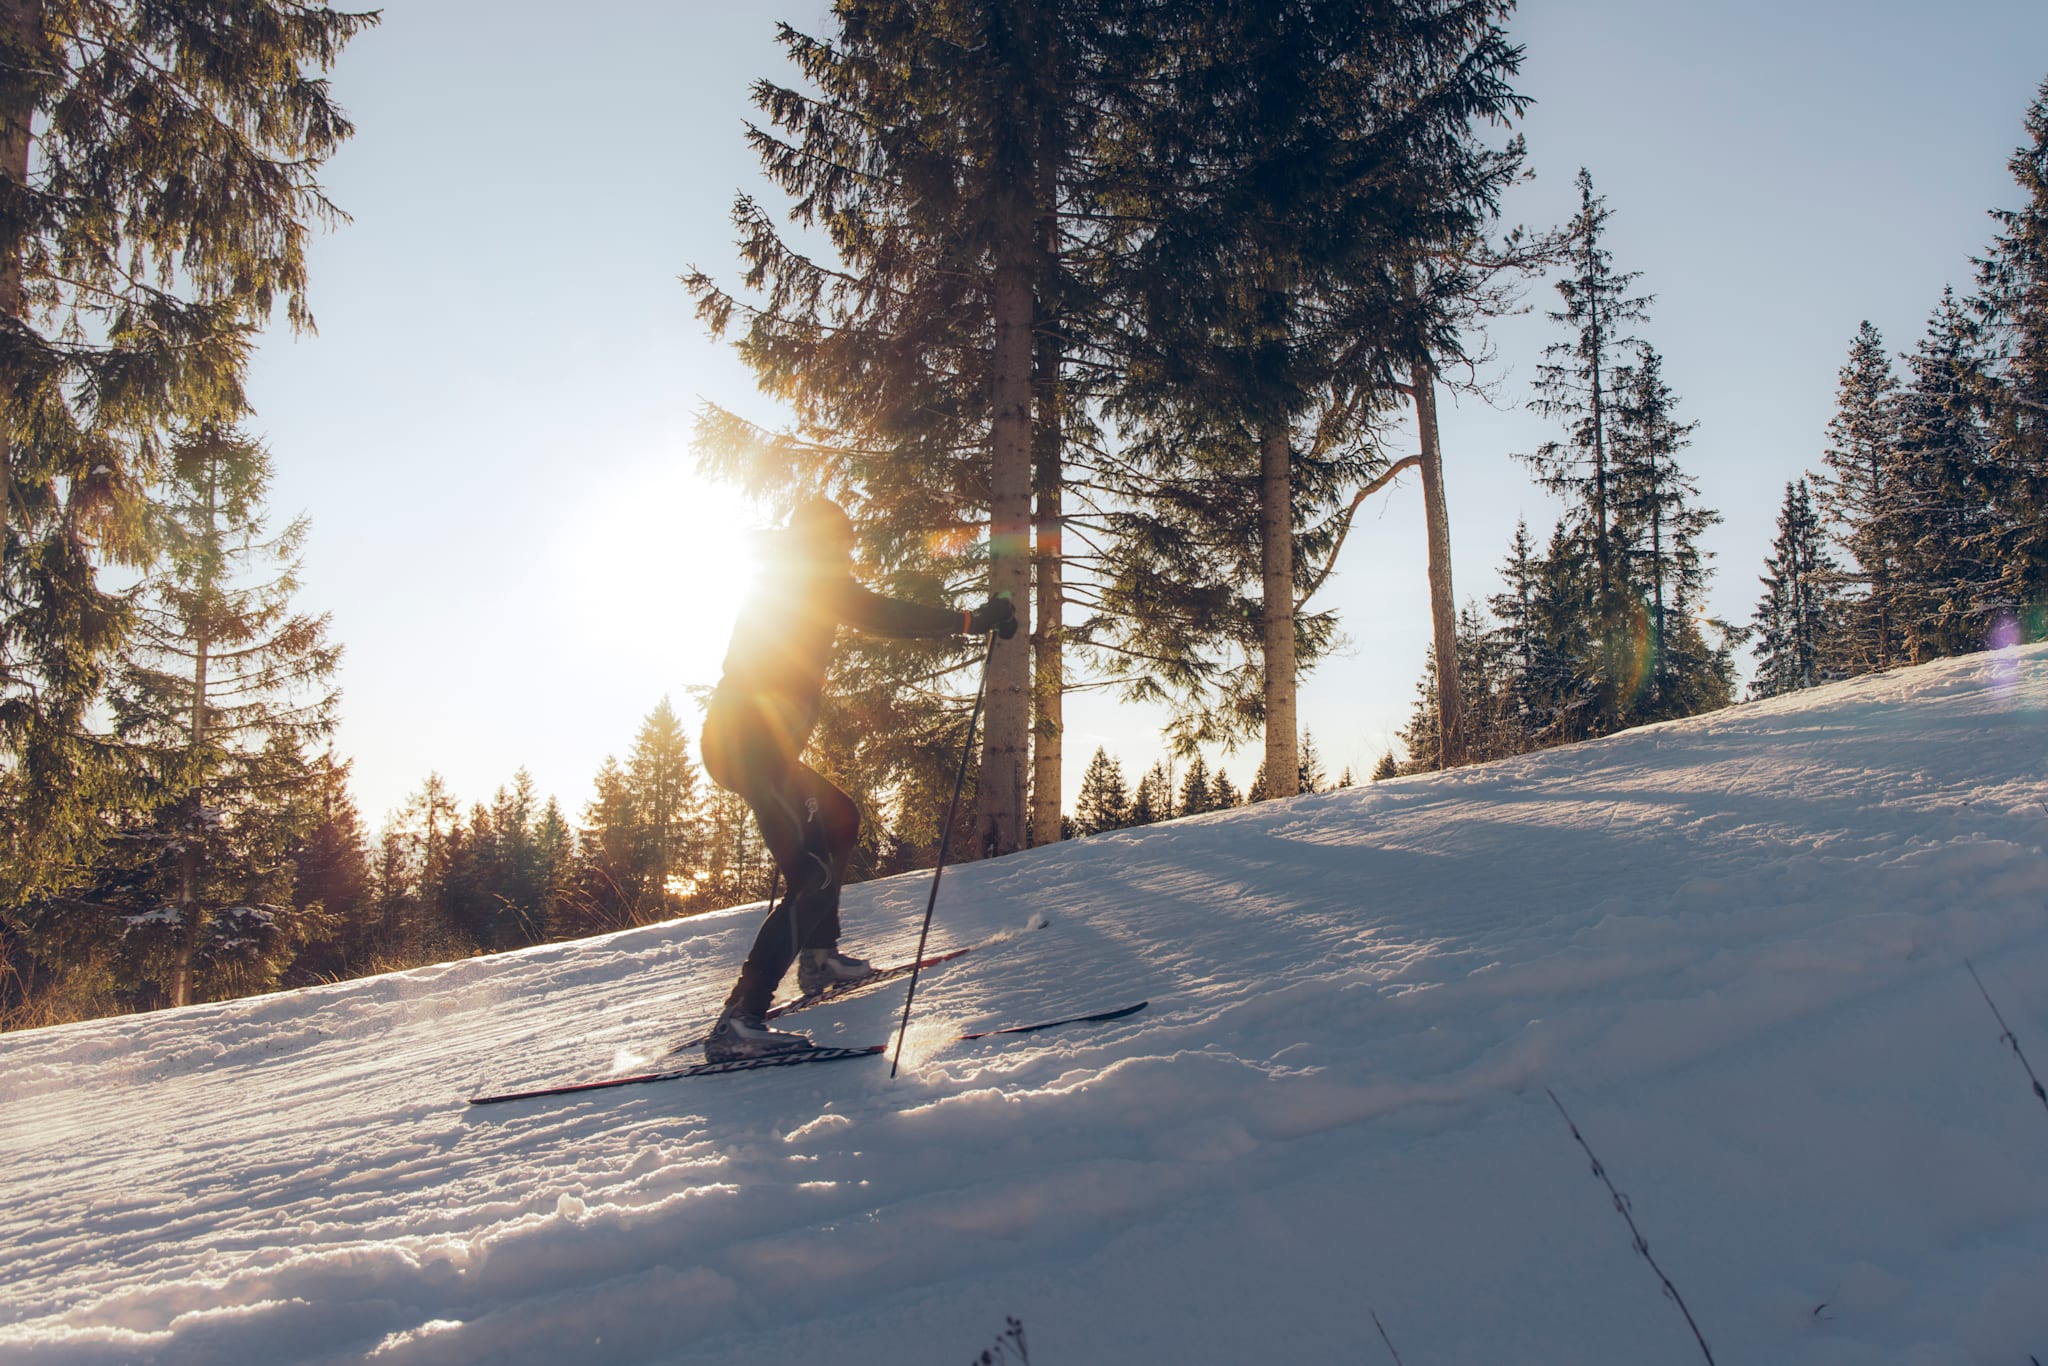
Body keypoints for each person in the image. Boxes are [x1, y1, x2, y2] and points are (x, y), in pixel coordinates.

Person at [699, 496, 1016, 1061]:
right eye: (838, 541)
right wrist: (969, 621)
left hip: (755, 746)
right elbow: (883, 614)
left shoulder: (794, 580)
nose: (846, 550)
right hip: (750, 748)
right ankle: (738, 1022)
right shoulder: (806, 580)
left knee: (841, 817)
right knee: (812, 876)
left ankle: (819, 959)